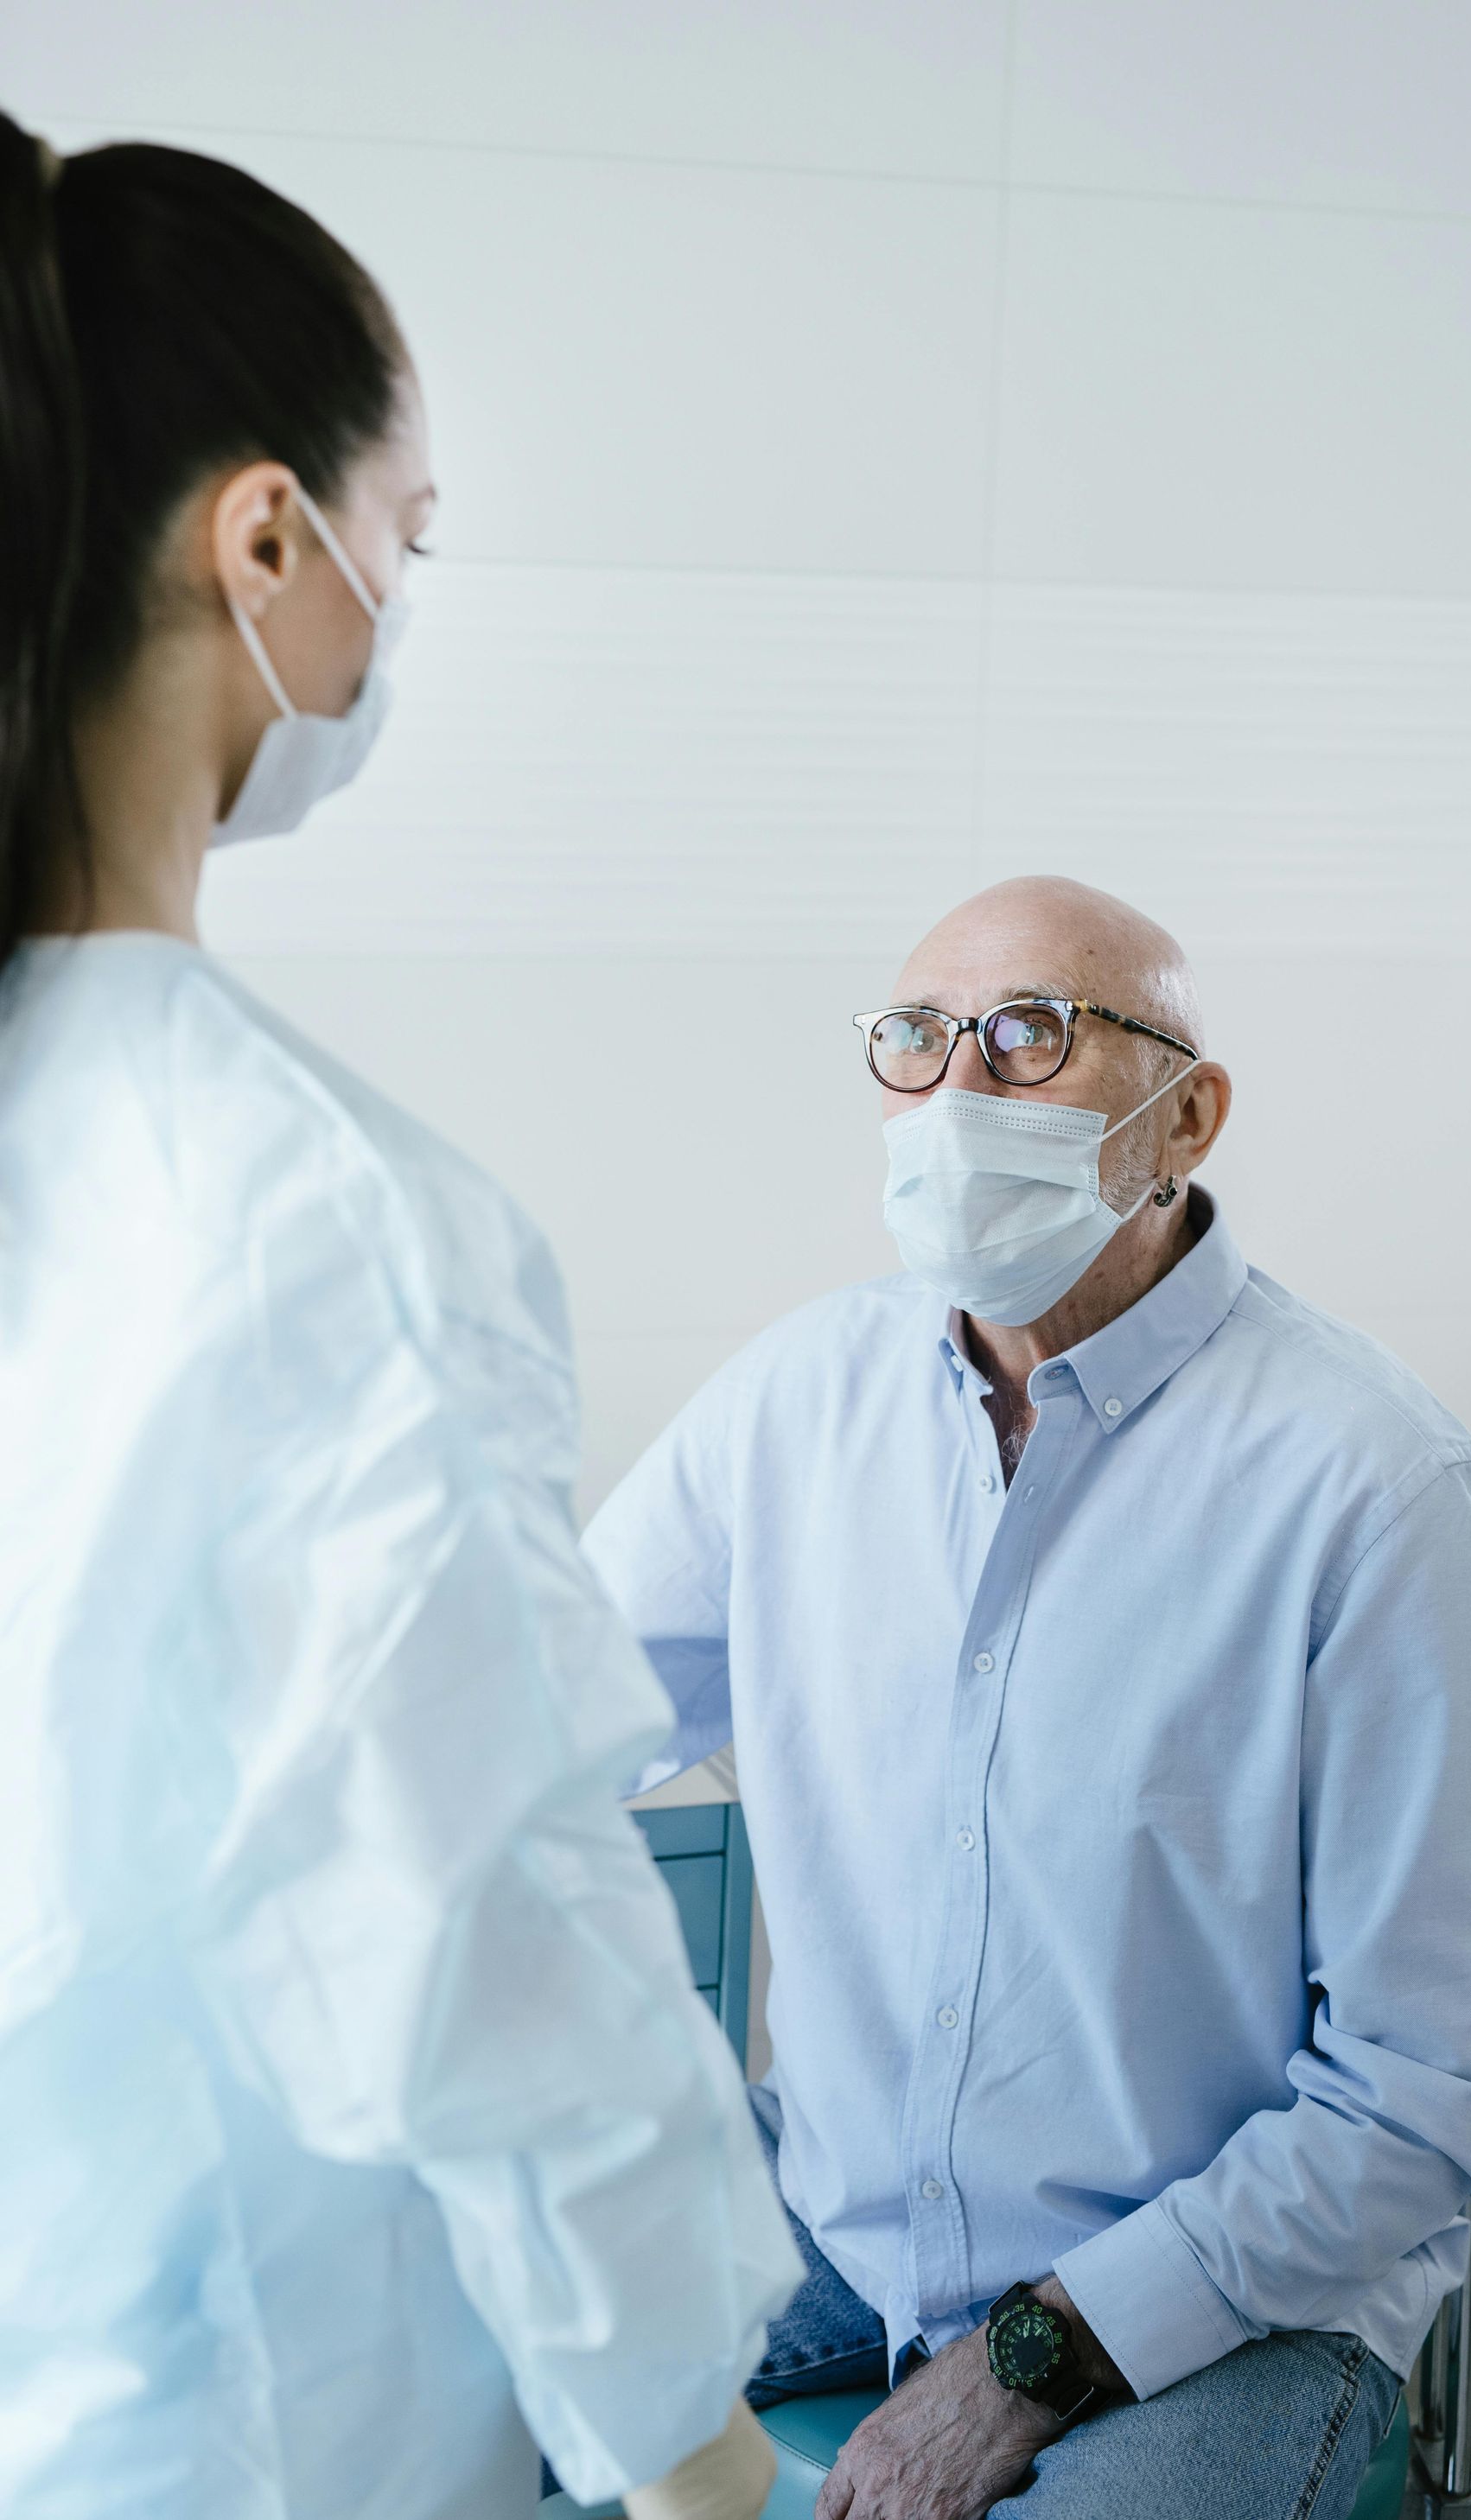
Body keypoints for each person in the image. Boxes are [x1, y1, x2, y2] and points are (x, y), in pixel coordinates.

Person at [0, 115, 800, 2520]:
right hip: (238, 2420)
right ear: (267, 541)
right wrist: (702, 2465)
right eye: (405, 541)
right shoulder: (308, 1210)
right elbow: (496, 1955)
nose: (392, 608)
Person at [584, 875, 1471, 2520]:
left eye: (1027, 1037)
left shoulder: (1373, 1490)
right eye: (915, 1041)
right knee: (393, 2367)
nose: (957, 1093)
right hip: (838, 2216)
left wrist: (1039, 2355)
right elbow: (541, 1717)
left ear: (1188, 1119)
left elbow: (1434, 2085)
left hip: (1230, 2307)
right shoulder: (797, 1407)